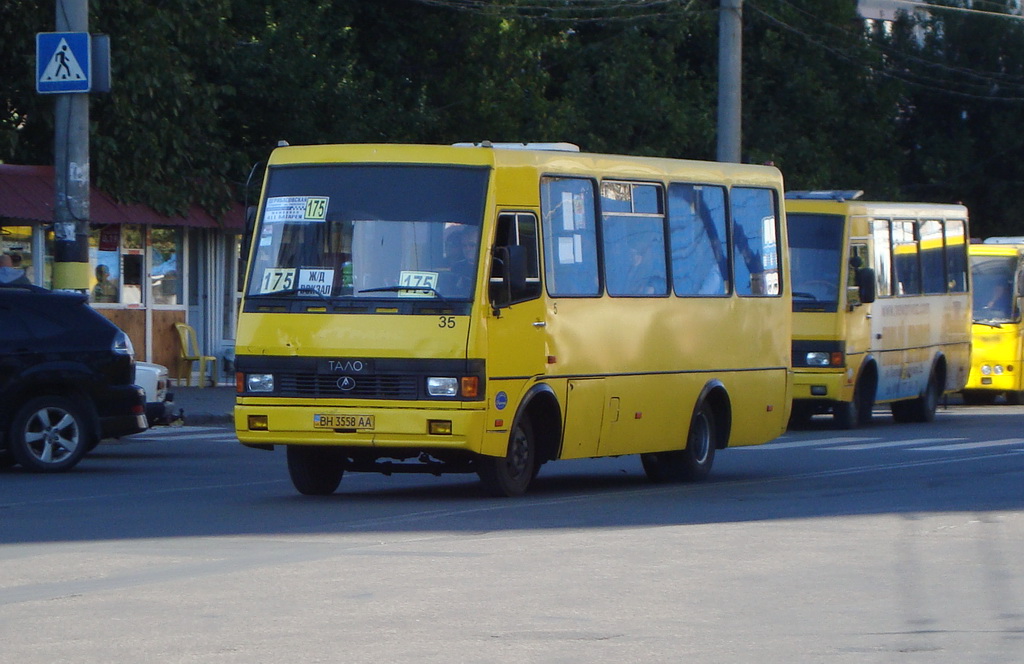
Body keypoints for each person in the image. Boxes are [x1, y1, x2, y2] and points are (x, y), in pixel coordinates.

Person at [445, 226, 478, 295]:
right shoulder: (457, 268)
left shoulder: (490, 266)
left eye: (472, 245)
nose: (467, 249)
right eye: (464, 246)